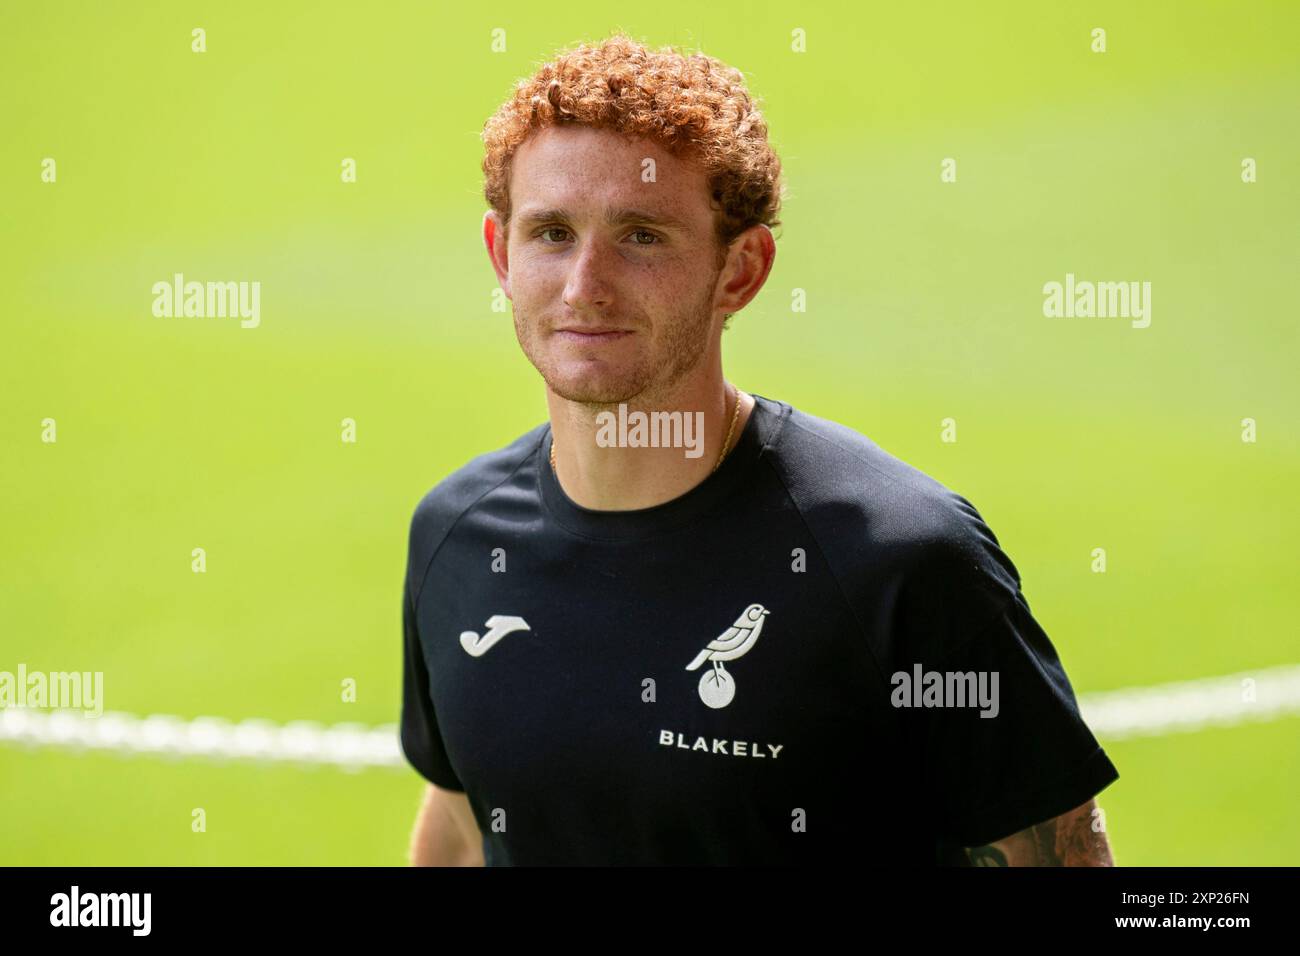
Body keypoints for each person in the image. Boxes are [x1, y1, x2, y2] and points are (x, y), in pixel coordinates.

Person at [401, 32, 1119, 866]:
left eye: (641, 236)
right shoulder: (456, 538)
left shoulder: (899, 560)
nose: (584, 284)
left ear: (740, 270)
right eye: (552, 233)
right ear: (501, 253)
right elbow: (459, 819)